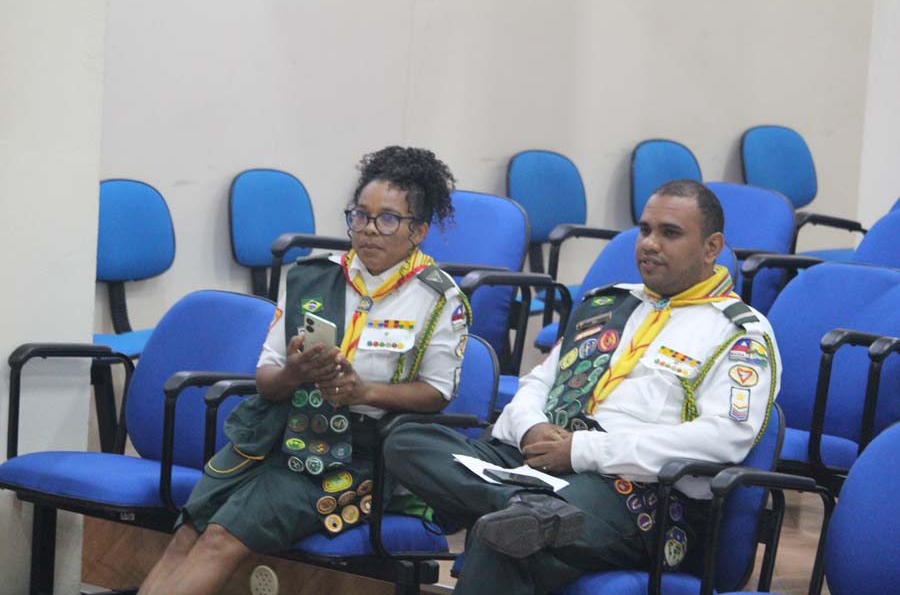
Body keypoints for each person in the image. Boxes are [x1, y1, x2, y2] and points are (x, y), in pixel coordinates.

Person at [383, 179, 781, 595]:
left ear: (712, 247)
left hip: (634, 493)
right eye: (645, 230)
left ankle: (530, 512)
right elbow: (539, 381)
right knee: (407, 441)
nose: (650, 244)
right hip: (539, 462)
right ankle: (531, 508)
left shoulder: (739, 333)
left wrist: (582, 450)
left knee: (502, 540)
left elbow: (723, 438)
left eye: (670, 233)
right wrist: (532, 428)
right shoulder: (607, 305)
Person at [139, 146, 470, 595]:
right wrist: (293, 374)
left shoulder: (437, 298)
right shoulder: (311, 278)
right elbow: (266, 378)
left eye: (388, 219)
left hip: (357, 453)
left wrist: (364, 393)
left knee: (220, 537)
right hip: (276, 431)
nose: (369, 229)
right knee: (188, 531)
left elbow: (437, 392)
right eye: (361, 215)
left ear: (419, 231)